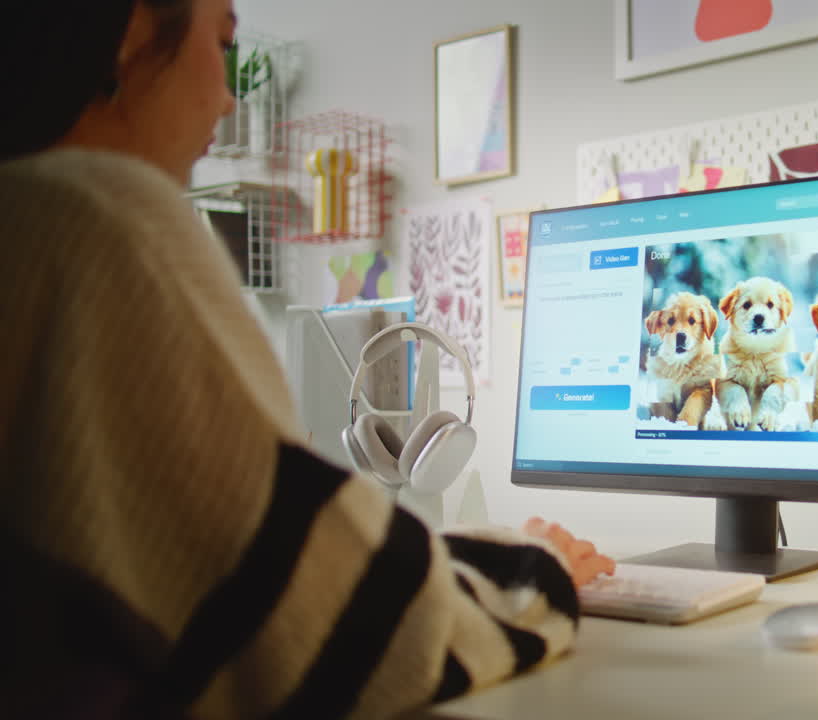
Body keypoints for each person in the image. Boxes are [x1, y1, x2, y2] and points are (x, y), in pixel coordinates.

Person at [0, 1, 615, 717]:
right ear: (134, 30)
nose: (229, 96)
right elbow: (344, 636)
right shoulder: (92, 216)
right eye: (223, 43)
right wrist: (532, 567)